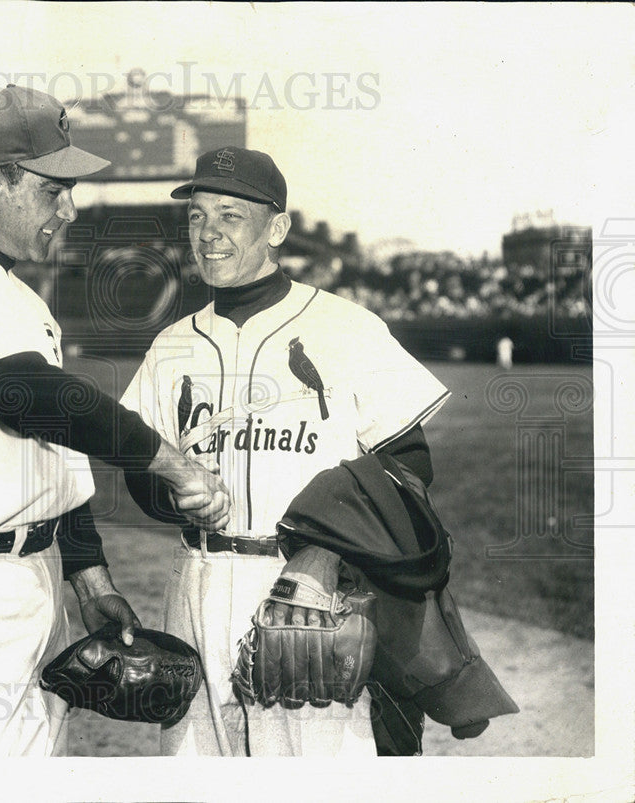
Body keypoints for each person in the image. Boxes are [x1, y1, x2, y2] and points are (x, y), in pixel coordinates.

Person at [0, 85, 230, 758]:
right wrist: (168, 461)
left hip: (36, 580)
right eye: (53, 189)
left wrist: (89, 574)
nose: (70, 208)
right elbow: (27, 395)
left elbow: (46, 453)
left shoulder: (21, 296)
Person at [120, 146, 450, 756]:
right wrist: (174, 497)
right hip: (196, 582)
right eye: (196, 216)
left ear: (277, 228)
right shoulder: (170, 345)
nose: (208, 233)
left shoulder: (346, 327)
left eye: (229, 215)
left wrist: (323, 554)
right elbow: (143, 473)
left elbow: (410, 466)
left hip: (307, 589)